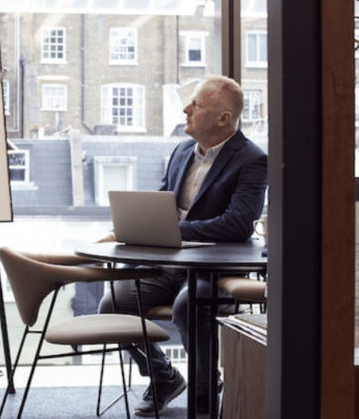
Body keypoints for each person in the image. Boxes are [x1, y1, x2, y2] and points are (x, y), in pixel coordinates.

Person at [97, 74, 268, 417]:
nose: (186, 109)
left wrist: (174, 229)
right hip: (168, 262)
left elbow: (237, 224)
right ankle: (163, 378)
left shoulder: (252, 159)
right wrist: (134, 226)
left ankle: (205, 393)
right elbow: (162, 202)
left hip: (213, 268)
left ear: (224, 118)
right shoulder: (181, 151)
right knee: (113, 304)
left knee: (188, 305)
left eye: (197, 104)